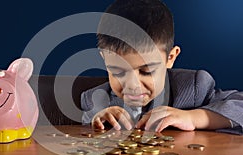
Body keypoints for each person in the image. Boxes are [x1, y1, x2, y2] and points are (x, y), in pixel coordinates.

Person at [80, 0, 243, 135]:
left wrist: (193, 118)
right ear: (105, 60)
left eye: (146, 71)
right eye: (118, 71)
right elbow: (85, 128)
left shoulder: (193, 87)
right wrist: (98, 121)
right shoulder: (95, 99)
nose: (133, 85)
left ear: (170, 58)